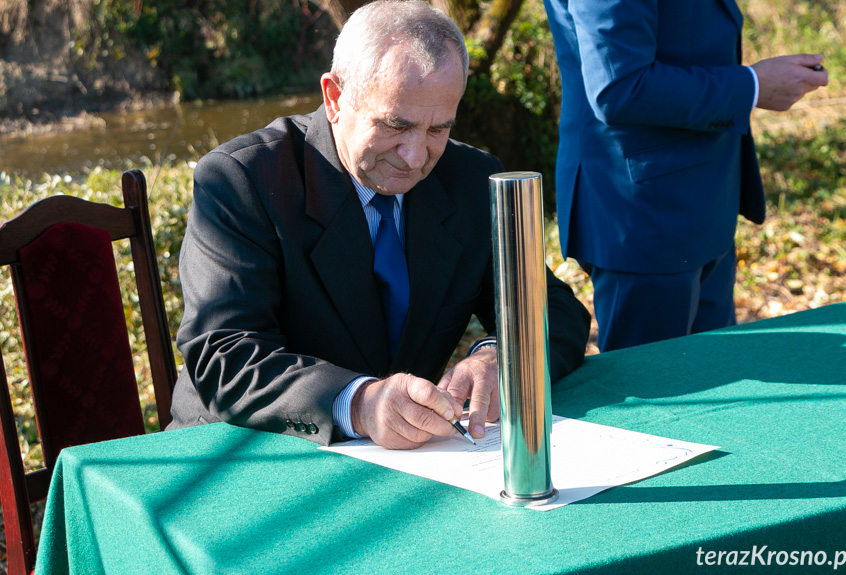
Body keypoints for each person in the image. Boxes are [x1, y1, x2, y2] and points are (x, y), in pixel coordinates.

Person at [167, 0, 591, 449]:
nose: (414, 156)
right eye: (395, 124)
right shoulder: (243, 180)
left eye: (438, 130)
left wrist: (499, 356)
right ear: (334, 98)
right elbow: (225, 355)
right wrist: (359, 403)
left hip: (410, 459)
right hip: (240, 454)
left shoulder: (466, 180)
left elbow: (555, 309)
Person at [543, 0, 829, 351]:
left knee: (714, 383)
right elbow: (618, 86)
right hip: (645, 214)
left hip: (703, 203)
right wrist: (752, 85)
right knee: (654, 394)